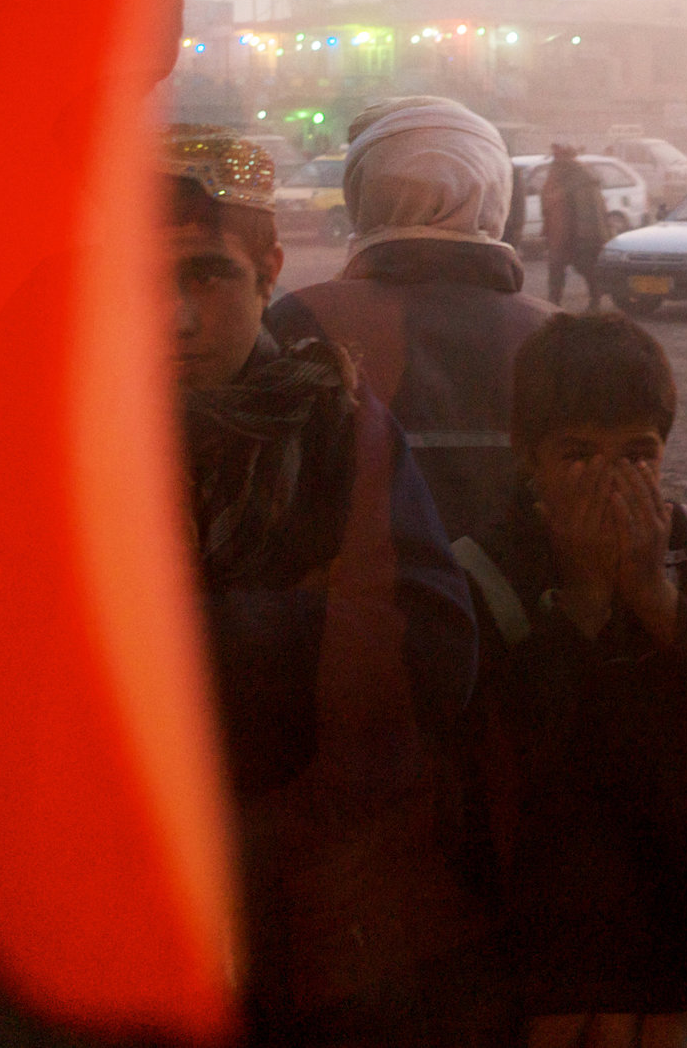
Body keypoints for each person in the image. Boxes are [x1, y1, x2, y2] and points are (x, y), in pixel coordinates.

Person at [163, 127, 486, 1044]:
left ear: (267, 269)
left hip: (320, 913)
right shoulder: (74, 443)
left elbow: (433, 654)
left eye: (206, 275)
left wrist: (190, 633)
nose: (175, 318)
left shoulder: (341, 427)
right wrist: (310, 619)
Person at [455, 313, 687, 1046]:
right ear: (529, 454)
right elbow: (515, 759)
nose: (612, 480)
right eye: (579, 454)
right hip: (563, 963)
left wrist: (657, 600)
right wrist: (581, 605)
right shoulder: (483, 574)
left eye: (637, 453)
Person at [267, 97, 556, 550]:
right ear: (496, 192)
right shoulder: (554, 334)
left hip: (351, 609)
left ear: (363, 191)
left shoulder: (304, 318)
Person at [539, 142, 608, 310]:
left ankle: (595, 300)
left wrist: (587, 235)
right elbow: (548, 202)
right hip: (558, 233)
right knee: (556, 269)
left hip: (579, 234)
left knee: (587, 268)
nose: (556, 158)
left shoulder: (582, 175)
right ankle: (553, 303)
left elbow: (590, 210)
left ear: (567, 155)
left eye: (558, 154)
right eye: (554, 155)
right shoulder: (555, 173)